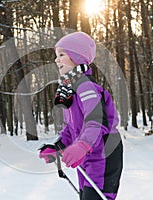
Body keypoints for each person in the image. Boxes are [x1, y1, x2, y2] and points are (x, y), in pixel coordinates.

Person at [39, 32, 123, 200]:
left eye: (61, 55)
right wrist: (59, 146)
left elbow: (97, 122)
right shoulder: (69, 89)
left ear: (77, 58)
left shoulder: (86, 87)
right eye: (56, 56)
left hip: (103, 153)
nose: (56, 60)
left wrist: (82, 146)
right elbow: (71, 128)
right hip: (87, 154)